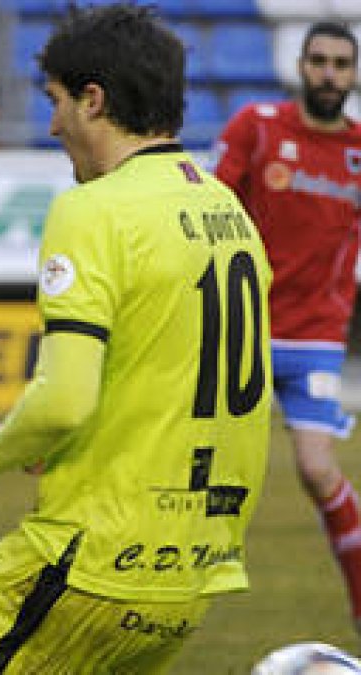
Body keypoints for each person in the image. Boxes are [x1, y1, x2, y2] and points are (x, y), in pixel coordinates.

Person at [0, 5, 272, 673]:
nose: (51, 125)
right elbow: (159, 378)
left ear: (93, 100)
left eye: (55, 101)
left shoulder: (93, 210)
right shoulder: (230, 212)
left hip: (91, 557)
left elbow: (64, 398)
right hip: (193, 573)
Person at [213, 21, 361, 635]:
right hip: (241, 328)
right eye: (319, 61)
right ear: (300, 66)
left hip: (317, 338)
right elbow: (213, 207)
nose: (329, 73)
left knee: (318, 471)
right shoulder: (258, 126)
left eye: (341, 64)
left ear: (353, 74)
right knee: (204, 470)